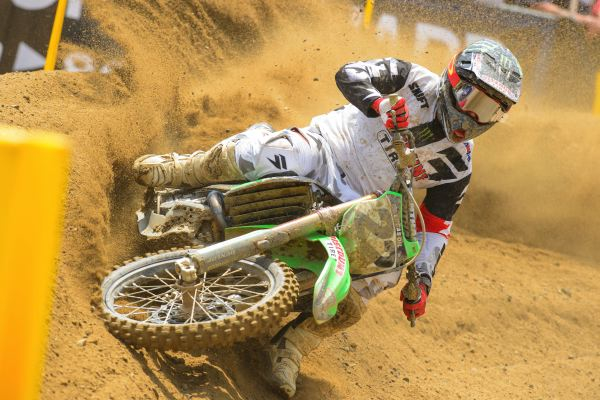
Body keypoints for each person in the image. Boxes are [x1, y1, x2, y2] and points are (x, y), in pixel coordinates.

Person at [133, 39, 523, 398]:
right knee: (261, 157)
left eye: (490, 110)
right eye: (472, 98)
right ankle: (186, 168)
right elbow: (349, 73)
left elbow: (436, 225)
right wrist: (378, 104)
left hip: (362, 204)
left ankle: (292, 346)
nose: (474, 116)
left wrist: (421, 279)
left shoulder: (459, 165)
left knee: (383, 271)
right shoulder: (411, 79)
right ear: (453, 79)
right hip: (327, 150)